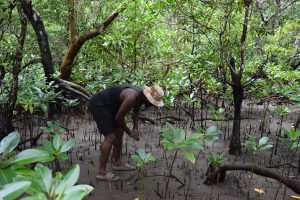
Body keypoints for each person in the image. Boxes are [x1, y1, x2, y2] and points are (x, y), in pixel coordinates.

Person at [89, 84, 164, 181]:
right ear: (148, 98)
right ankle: (101, 173)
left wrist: (135, 128)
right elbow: (118, 119)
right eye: (153, 103)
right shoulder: (131, 97)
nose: (153, 105)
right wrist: (130, 133)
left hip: (111, 106)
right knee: (110, 137)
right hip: (99, 104)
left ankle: (117, 163)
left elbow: (136, 112)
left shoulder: (140, 96)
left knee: (119, 132)